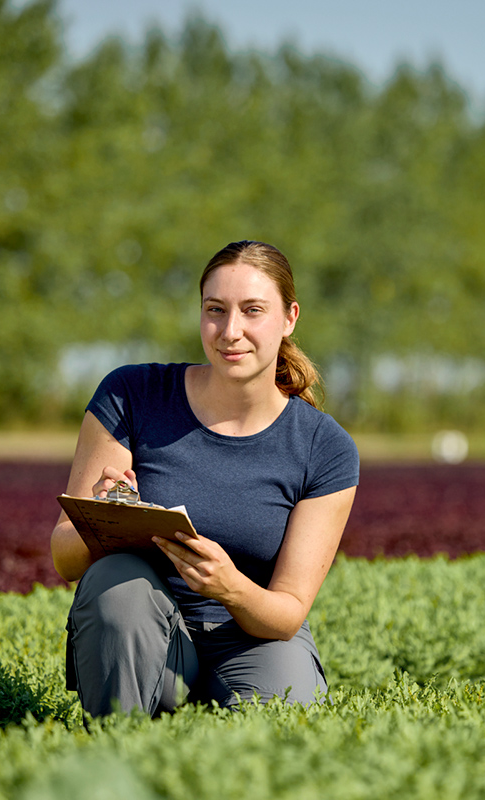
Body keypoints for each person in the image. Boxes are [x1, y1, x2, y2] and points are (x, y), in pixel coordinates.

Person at [50, 240, 359, 718]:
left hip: (254, 636)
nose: (230, 331)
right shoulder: (132, 395)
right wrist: (107, 520)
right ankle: (121, 748)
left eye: (253, 310)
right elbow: (64, 558)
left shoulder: (324, 447)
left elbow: (288, 612)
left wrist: (228, 585)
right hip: (145, 634)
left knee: (284, 728)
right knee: (116, 580)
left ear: (290, 317)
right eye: (215, 310)